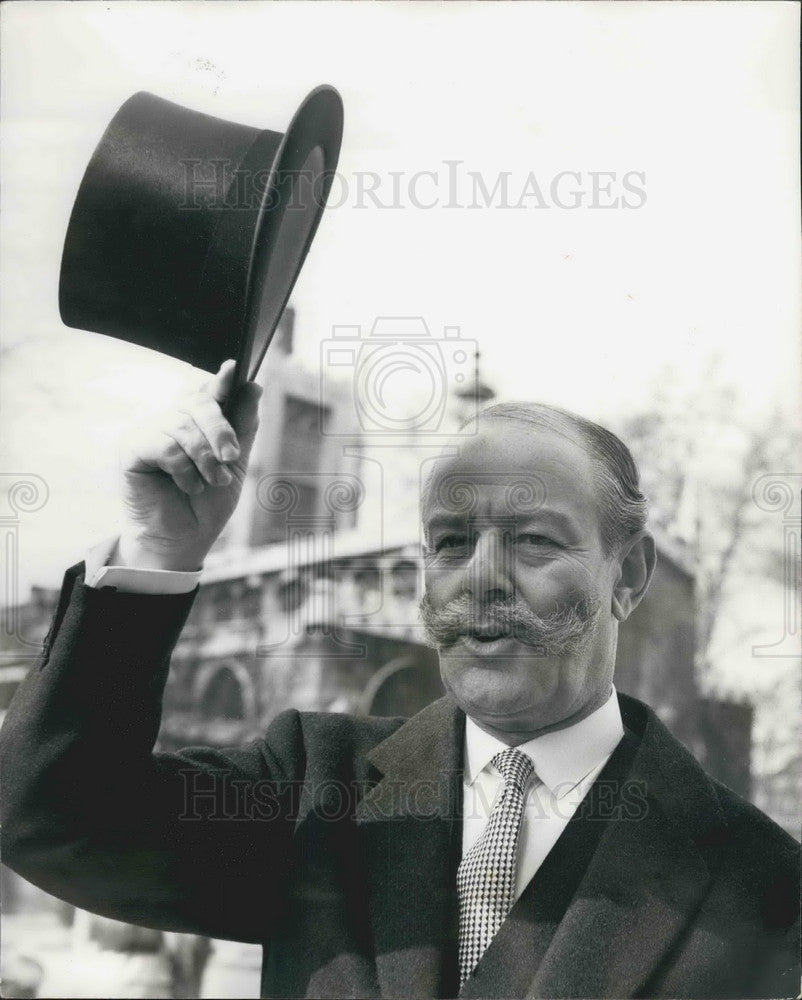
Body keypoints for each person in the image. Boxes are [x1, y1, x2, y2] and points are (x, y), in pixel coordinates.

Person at [1, 361, 798, 999]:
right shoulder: (313, 789)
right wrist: (158, 550)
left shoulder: (759, 880)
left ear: (628, 574)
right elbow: (53, 815)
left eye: (533, 542)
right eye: (450, 543)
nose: (480, 580)